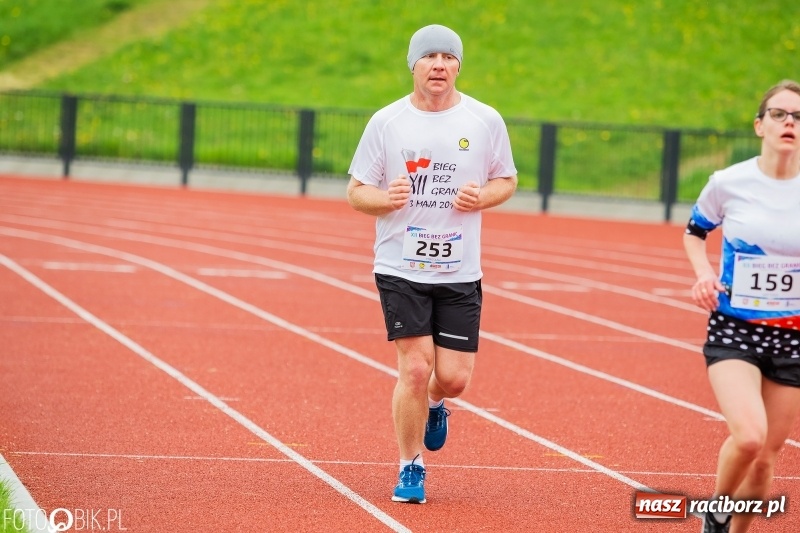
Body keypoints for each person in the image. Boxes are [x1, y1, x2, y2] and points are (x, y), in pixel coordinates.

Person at [346, 24, 517, 504]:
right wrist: (386, 198)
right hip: (400, 266)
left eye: (448, 57)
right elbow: (357, 192)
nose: (439, 65)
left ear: (459, 66)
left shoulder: (484, 121)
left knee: (453, 379)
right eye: (429, 57)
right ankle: (410, 466)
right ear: (413, 65)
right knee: (415, 370)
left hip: (460, 271)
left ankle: (438, 405)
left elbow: (507, 179)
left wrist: (482, 195)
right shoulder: (387, 122)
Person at [683, 79, 800, 533]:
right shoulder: (730, 182)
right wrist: (704, 274)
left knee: (767, 459)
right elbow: (695, 232)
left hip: (793, 335)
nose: (789, 123)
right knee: (749, 437)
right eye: (779, 114)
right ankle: (716, 511)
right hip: (736, 329)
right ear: (759, 125)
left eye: (798, 117)